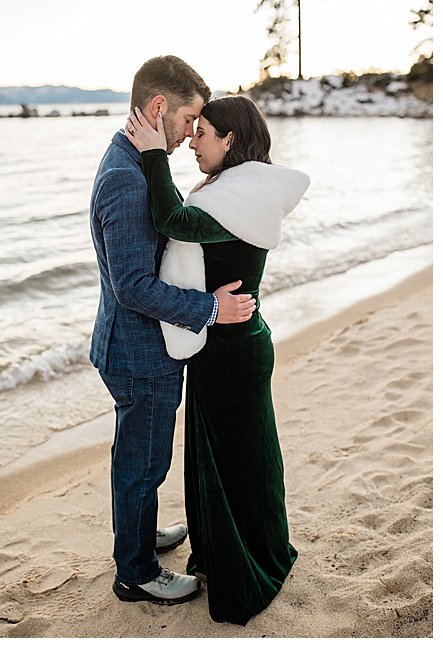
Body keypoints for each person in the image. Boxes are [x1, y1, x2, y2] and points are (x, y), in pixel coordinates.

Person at [124, 95, 306, 624]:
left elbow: (172, 219)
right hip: (230, 340)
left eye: (200, 133)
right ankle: (244, 549)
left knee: (237, 462)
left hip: (232, 349)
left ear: (230, 139)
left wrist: (155, 154)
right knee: (236, 459)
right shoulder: (241, 188)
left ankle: (247, 569)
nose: (193, 143)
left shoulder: (238, 196)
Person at [87, 55, 257, 606]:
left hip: (140, 348)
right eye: (189, 120)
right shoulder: (125, 179)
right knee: (143, 463)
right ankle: (135, 571)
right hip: (138, 353)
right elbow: (134, 286)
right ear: (160, 108)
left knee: (144, 457)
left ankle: (140, 535)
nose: (190, 135)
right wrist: (208, 309)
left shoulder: (136, 162)